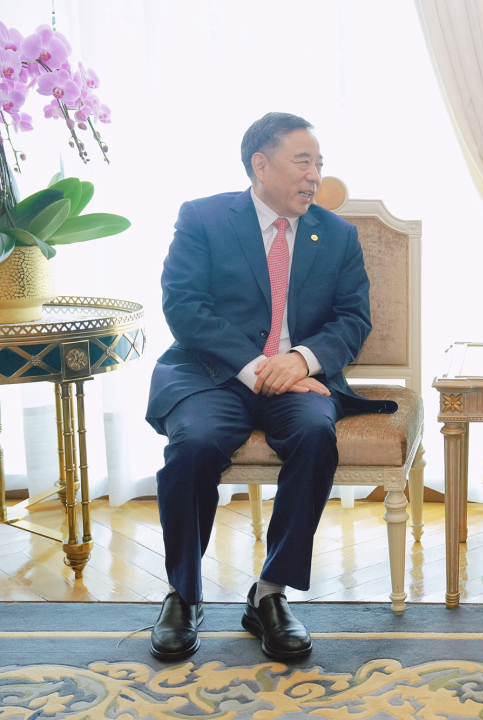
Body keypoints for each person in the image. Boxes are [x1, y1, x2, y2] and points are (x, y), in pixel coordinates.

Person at [145, 112, 396, 661]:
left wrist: (302, 360)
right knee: (194, 444)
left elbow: (353, 319)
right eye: (303, 162)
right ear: (260, 165)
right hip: (213, 374)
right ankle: (183, 595)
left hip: (299, 383)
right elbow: (184, 307)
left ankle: (269, 593)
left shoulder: (337, 234)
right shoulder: (204, 218)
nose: (315, 176)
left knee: (314, 437)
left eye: (319, 164)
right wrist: (258, 366)